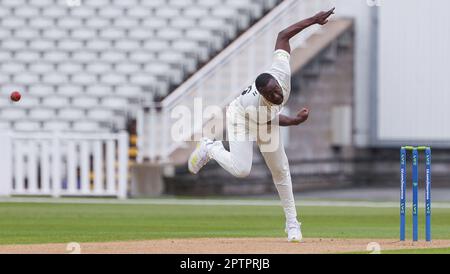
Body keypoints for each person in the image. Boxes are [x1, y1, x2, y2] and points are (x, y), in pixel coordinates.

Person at [188, 8, 335, 242]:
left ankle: (292, 224)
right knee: (242, 170)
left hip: (263, 117)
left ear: (277, 81)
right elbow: (273, 119)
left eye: (276, 91)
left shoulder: (281, 71)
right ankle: (210, 147)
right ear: (262, 94)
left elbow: (283, 35)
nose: (277, 96)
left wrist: (314, 21)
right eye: (270, 95)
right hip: (241, 118)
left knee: (280, 170)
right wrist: (296, 121)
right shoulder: (256, 103)